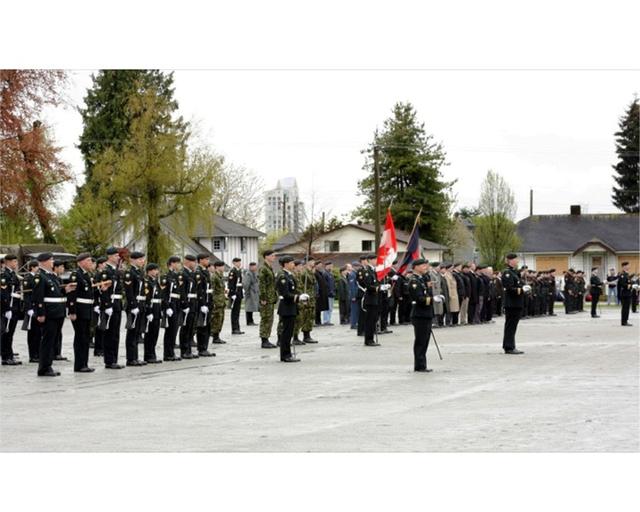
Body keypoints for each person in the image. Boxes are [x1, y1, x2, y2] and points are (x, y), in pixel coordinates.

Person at [32, 252, 76, 376]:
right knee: (47, 341)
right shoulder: (40, 276)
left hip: (57, 312)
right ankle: (44, 368)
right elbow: (38, 297)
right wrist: (40, 313)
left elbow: (55, 292)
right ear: (43, 262)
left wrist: (65, 289)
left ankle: (48, 365)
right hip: (49, 313)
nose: (52, 262)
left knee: (53, 341)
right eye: (50, 260)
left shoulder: (51, 276)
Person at [66, 253, 97, 372]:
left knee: (85, 338)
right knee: (80, 338)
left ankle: (84, 363)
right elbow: (72, 295)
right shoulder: (76, 275)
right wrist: (72, 311)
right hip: (79, 310)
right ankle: (79, 365)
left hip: (87, 309)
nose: (91, 263)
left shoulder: (86, 275)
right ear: (81, 262)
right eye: (88, 261)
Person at [276, 255, 309, 362]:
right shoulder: (283, 276)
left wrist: (300, 295)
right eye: (291, 263)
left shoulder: (289, 275)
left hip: (291, 307)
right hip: (286, 307)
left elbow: (293, 290)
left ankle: (287, 354)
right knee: (286, 333)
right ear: (286, 264)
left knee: (289, 332)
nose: (293, 264)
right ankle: (285, 355)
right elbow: (285, 294)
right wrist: (298, 297)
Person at [97, 247, 125, 369]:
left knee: (115, 333)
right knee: (110, 333)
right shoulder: (106, 271)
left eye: (118, 256)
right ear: (109, 257)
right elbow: (104, 290)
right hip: (111, 304)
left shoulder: (115, 270)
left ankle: (114, 359)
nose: (118, 257)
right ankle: (109, 361)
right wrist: (107, 305)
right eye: (115, 256)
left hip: (117, 303)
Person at [408, 258, 435, 372]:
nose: (426, 268)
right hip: (420, 314)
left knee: (425, 341)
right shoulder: (414, 281)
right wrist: (433, 299)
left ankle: (422, 364)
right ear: (416, 267)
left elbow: (426, 293)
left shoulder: (422, 279)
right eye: (423, 266)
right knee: (420, 341)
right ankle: (419, 365)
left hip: (426, 314)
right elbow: (419, 298)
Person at [357, 254, 389, 346]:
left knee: (373, 319)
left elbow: (375, 283)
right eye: (375, 260)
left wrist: (381, 286)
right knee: (370, 321)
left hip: (375, 299)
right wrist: (379, 288)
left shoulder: (372, 271)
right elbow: (368, 285)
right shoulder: (367, 271)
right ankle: (369, 340)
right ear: (370, 260)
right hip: (370, 299)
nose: (377, 261)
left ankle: (371, 339)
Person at [123, 251, 147, 367]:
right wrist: (133, 305)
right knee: (132, 333)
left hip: (140, 304)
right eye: (140, 259)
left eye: (143, 259)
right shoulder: (130, 273)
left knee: (137, 333)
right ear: (132, 260)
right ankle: (130, 358)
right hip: (134, 305)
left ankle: (135, 357)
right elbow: (129, 291)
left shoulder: (139, 272)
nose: (142, 261)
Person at [501, 253, 526, 354]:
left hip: (516, 303)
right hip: (511, 303)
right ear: (510, 260)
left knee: (513, 326)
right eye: (516, 260)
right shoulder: (507, 273)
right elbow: (510, 288)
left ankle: (510, 345)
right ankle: (509, 347)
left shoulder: (514, 272)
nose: (517, 261)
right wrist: (521, 290)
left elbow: (518, 283)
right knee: (510, 326)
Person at [1, 254, 22, 365]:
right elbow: (4, 293)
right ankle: (5, 357)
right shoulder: (4, 275)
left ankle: (9, 354)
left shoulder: (13, 274)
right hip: (9, 306)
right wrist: (7, 309)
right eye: (14, 261)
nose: (16, 264)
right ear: (8, 262)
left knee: (11, 332)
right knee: (6, 332)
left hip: (15, 306)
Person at [162, 256, 183, 361]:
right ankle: (167, 354)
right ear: (172, 264)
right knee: (170, 330)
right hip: (171, 305)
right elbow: (164, 294)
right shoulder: (166, 277)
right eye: (178, 263)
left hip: (176, 304)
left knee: (174, 329)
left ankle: (171, 352)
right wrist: (167, 306)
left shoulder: (175, 276)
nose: (179, 265)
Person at [195, 253, 215, 357]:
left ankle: (205, 347)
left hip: (208, 302)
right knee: (202, 327)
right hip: (203, 303)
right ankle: (201, 348)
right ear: (201, 260)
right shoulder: (198, 273)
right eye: (206, 259)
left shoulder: (205, 272)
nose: (208, 261)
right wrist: (202, 304)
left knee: (207, 326)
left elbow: (208, 290)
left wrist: (210, 302)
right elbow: (200, 290)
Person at [179, 254, 199, 359]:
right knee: (185, 328)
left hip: (193, 303)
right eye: (193, 262)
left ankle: (188, 350)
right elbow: (182, 291)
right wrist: (184, 304)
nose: (195, 264)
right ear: (187, 262)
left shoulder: (191, 274)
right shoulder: (183, 274)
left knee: (191, 328)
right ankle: (184, 350)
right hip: (187, 304)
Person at [21, 260, 41, 362]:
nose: (38, 268)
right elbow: (26, 295)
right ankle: (33, 355)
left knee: (38, 333)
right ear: (32, 267)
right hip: (31, 308)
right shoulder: (28, 278)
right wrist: (28, 308)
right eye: (37, 266)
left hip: (38, 307)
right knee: (32, 334)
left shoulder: (37, 277)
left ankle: (37, 354)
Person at [142, 263, 163, 363]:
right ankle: (148, 355)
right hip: (151, 310)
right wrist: (149, 311)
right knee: (150, 334)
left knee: (155, 334)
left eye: (157, 270)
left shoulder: (155, 282)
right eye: (154, 270)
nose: (156, 272)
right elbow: (147, 298)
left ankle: (152, 354)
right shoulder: (147, 282)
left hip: (157, 310)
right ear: (149, 271)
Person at [258, 250, 278, 348]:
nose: (274, 257)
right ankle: (264, 340)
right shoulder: (263, 269)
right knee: (266, 318)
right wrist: (263, 297)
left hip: (271, 297)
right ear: (266, 257)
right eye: (272, 255)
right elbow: (261, 284)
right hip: (266, 298)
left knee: (269, 319)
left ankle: (267, 338)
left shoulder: (270, 268)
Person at [296, 257, 317, 344]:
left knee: (309, 316)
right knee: (303, 317)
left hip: (311, 297)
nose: (314, 263)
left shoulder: (310, 272)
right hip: (306, 296)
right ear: (308, 262)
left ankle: (307, 335)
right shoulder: (304, 272)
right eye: (312, 261)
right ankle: (297, 336)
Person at [210, 261, 228, 344]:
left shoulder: (220, 276)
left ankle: (217, 336)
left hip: (221, 301)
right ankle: (215, 336)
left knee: (220, 319)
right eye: (222, 266)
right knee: (216, 319)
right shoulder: (214, 277)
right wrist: (213, 301)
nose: (223, 268)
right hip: (216, 302)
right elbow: (212, 290)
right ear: (217, 267)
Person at [93, 256, 107, 357]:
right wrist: (96, 304)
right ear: (100, 265)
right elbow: (96, 291)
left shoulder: (103, 274)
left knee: (103, 327)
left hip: (103, 303)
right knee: (99, 327)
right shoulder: (98, 275)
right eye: (104, 263)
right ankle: (98, 349)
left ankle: (101, 348)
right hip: (98, 303)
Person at [227, 257, 244, 334]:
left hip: (239, 292)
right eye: (237, 262)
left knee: (237, 311)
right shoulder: (232, 272)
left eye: (239, 262)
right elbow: (231, 284)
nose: (239, 264)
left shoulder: (239, 271)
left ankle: (237, 328)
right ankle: (234, 328)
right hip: (235, 293)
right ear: (234, 263)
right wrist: (232, 293)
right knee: (234, 312)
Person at [618, 262, 633, 326]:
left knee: (627, 308)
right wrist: (628, 285)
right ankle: (624, 322)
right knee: (625, 308)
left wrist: (630, 285)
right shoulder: (623, 275)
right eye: (627, 266)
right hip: (624, 294)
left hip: (627, 293)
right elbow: (622, 284)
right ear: (624, 267)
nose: (628, 267)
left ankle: (625, 320)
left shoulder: (626, 274)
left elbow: (628, 282)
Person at [314, 261, 329, 326]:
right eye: (319, 265)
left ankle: (319, 321)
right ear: (316, 265)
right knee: (317, 308)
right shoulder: (315, 273)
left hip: (322, 293)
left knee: (319, 309)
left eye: (321, 265)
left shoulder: (321, 273)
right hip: (318, 293)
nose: (320, 266)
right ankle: (316, 321)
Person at [322, 261, 336, 326]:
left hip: (332, 293)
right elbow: (325, 285)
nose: (331, 267)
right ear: (327, 266)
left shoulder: (330, 274)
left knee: (330, 308)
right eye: (330, 266)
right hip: (328, 294)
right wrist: (329, 292)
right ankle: (326, 320)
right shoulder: (325, 274)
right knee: (327, 308)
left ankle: (328, 320)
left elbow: (332, 284)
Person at [348, 261, 361, 330]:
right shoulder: (352, 274)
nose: (359, 267)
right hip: (354, 295)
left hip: (357, 294)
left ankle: (355, 323)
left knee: (356, 310)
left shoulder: (355, 273)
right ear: (354, 266)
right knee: (354, 310)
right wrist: (353, 296)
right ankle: (353, 324)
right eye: (358, 266)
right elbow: (352, 286)